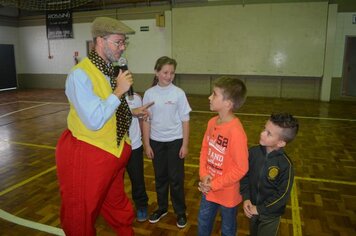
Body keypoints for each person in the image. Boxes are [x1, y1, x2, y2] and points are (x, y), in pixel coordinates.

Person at [56, 17, 151, 236]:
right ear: (100, 40)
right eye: (118, 42)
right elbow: (94, 119)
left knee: (117, 204)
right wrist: (119, 91)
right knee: (80, 213)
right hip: (89, 154)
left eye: (124, 42)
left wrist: (131, 111)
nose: (123, 47)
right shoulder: (80, 75)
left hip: (115, 151)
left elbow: (107, 105)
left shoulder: (109, 70)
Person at [142, 56, 191, 229]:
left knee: (176, 179)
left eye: (172, 72)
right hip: (156, 142)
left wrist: (184, 144)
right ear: (157, 72)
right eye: (165, 72)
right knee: (160, 177)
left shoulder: (178, 93)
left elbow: (185, 120)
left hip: (175, 142)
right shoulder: (149, 93)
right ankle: (162, 208)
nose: (168, 76)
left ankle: (180, 211)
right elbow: (146, 120)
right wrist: (147, 144)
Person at [197, 76, 249, 236]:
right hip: (209, 188)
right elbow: (205, 149)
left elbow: (242, 168)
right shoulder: (212, 122)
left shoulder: (236, 132)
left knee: (227, 229)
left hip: (228, 193)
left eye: (214, 94)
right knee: (203, 221)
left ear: (228, 103)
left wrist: (215, 183)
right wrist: (204, 175)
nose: (209, 97)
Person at [240, 113, 299, 236]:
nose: (262, 133)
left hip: (270, 215)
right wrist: (246, 198)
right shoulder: (253, 153)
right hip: (252, 208)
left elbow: (282, 195)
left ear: (281, 143)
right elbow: (245, 176)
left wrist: (260, 209)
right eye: (264, 129)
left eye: (269, 133)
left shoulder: (285, 165)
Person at [125, 92, 150, 222]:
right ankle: (118, 208)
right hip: (115, 149)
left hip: (134, 146)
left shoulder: (136, 98)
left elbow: (141, 121)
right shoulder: (109, 95)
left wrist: (145, 143)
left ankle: (141, 206)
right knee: (114, 182)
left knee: (138, 179)